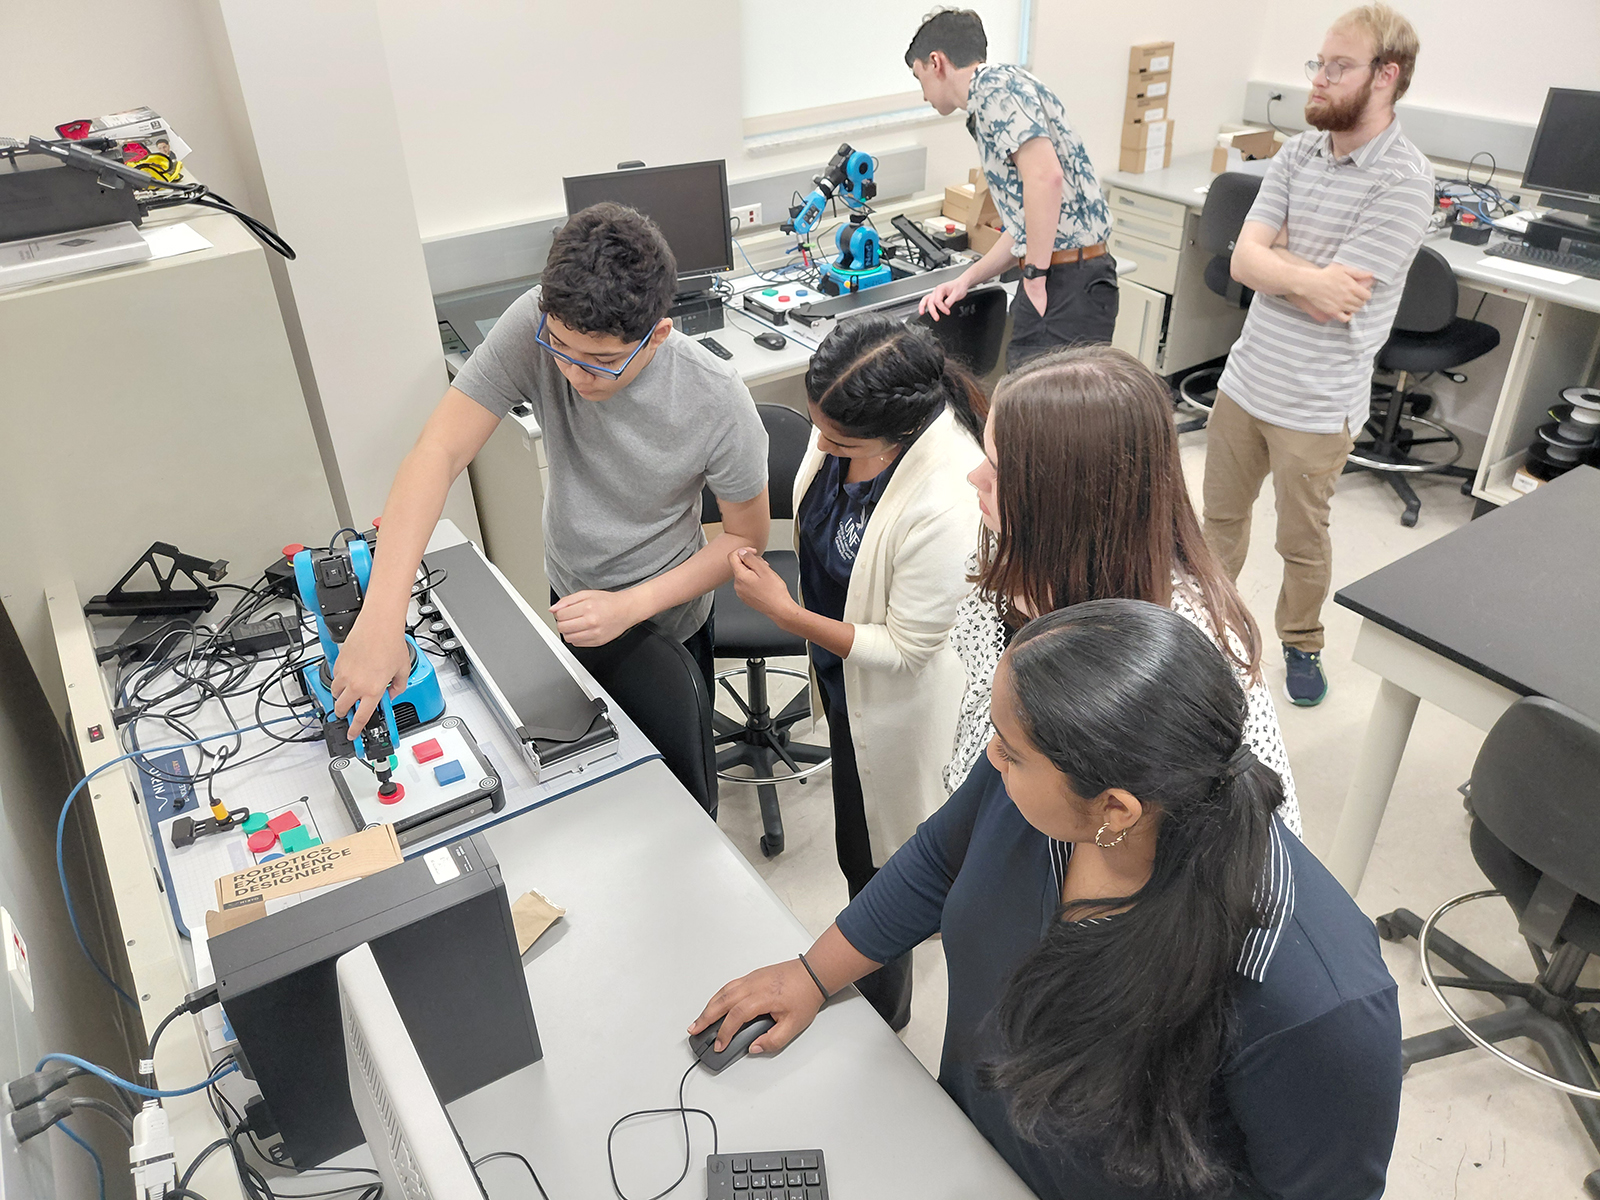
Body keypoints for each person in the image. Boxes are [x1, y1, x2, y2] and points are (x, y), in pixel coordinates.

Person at [692, 599, 1403, 1200]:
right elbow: (940, 859)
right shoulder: (1036, 789)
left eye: (1008, 749)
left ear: (1115, 810)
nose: (989, 757)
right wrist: (812, 975)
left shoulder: (1320, 1008)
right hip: (964, 1150)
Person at [327, 202, 769, 735]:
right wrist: (381, 616)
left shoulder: (716, 397)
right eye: (560, 348)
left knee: (677, 778)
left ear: (657, 333)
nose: (574, 373)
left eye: (603, 361)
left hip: (666, 615)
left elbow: (745, 539)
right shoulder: (533, 322)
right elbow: (437, 452)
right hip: (571, 593)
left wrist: (630, 605)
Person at [727, 314, 983, 1030]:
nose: (823, 449)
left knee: (885, 868)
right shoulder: (850, 431)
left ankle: (884, 1018)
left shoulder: (948, 498)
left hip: (895, 705)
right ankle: (868, 973)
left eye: (840, 442)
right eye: (820, 432)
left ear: (899, 433)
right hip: (844, 689)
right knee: (856, 850)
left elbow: (905, 650)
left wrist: (788, 615)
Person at [946, 345, 1302, 839]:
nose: (975, 478)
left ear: (1067, 498)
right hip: (991, 819)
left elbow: (1254, 841)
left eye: (999, 469)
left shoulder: (1187, 654)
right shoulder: (1014, 558)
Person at [1202, 3, 1433, 707]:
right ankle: (1207, 634)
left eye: (1338, 67)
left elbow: (1341, 302)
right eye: (1319, 64)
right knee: (1217, 527)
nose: (1320, 80)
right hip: (1247, 381)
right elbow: (1243, 260)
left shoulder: (1405, 180)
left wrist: (1285, 267)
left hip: (1317, 401)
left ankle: (1302, 642)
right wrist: (1305, 275)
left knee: (1301, 543)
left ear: (1385, 77)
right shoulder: (1299, 152)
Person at [907, 8, 1118, 368]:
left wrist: (1034, 277)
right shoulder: (1007, 88)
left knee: (1038, 417)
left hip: (1065, 282)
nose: (924, 95)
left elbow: (1045, 178)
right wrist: (966, 280)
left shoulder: (992, 88)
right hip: (1070, 277)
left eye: (919, 78)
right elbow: (1027, 224)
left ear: (936, 62)